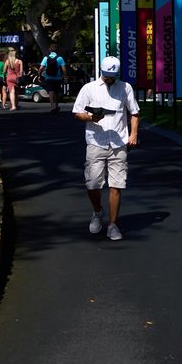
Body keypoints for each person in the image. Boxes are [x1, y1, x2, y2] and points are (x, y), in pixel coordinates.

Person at [72, 56, 140, 241]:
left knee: (117, 185)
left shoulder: (125, 87)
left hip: (119, 143)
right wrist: (90, 118)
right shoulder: (89, 88)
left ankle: (113, 224)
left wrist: (133, 135)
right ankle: (97, 211)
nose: (110, 78)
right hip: (96, 141)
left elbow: (134, 112)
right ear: (102, 71)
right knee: (93, 184)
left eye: (113, 75)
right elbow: (77, 112)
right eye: (107, 75)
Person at [41, 44, 67, 113]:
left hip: (48, 78)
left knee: (51, 92)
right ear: (56, 50)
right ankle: (56, 105)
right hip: (57, 78)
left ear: (50, 49)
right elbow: (64, 69)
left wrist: (39, 75)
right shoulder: (60, 58)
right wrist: (65, 77)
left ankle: (52, 107)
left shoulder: (46, 58)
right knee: (58, 92)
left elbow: (41, 68)